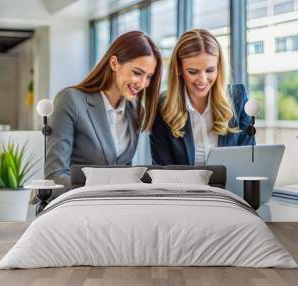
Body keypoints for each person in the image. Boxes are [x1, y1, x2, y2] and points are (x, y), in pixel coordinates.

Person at [45, 31, 162, 188]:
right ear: (114, 63)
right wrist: (103, 188)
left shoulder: (135, 111)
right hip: (78, 206)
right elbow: (55, 176)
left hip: (115, 206)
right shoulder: (71, 100)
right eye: (137, 73)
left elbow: (125, 171)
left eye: (149, 76)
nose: (142, 84)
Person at [150, 29, 254, 165]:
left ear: (219, 67)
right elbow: (162, 169)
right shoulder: (162, 106)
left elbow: (249, 159)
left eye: (210, 70)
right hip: (184, 186)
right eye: (193, 72)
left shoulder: (237, 98)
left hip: (230, 186)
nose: (202, 80)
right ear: (179, 69)